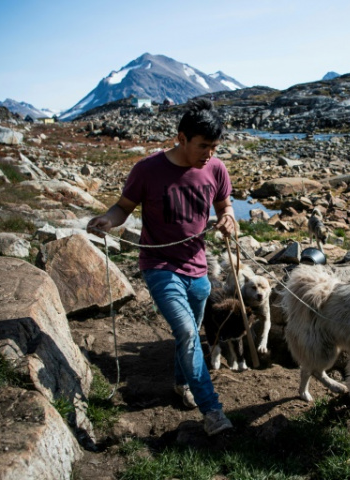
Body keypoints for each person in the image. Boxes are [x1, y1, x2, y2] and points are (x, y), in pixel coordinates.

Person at [87, 98, 236, 436]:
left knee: (189, 335)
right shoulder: (147, 170)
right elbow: (123, 207)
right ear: (181, 138)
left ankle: (182, 384)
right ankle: (213, 411)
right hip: (159, 266)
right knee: (188, 333)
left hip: (198, 269)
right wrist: (107, 220)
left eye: (214, 147)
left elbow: (225, 206)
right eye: (203, 146)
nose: (209, 154)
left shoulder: (216, 169)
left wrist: (228, 219)